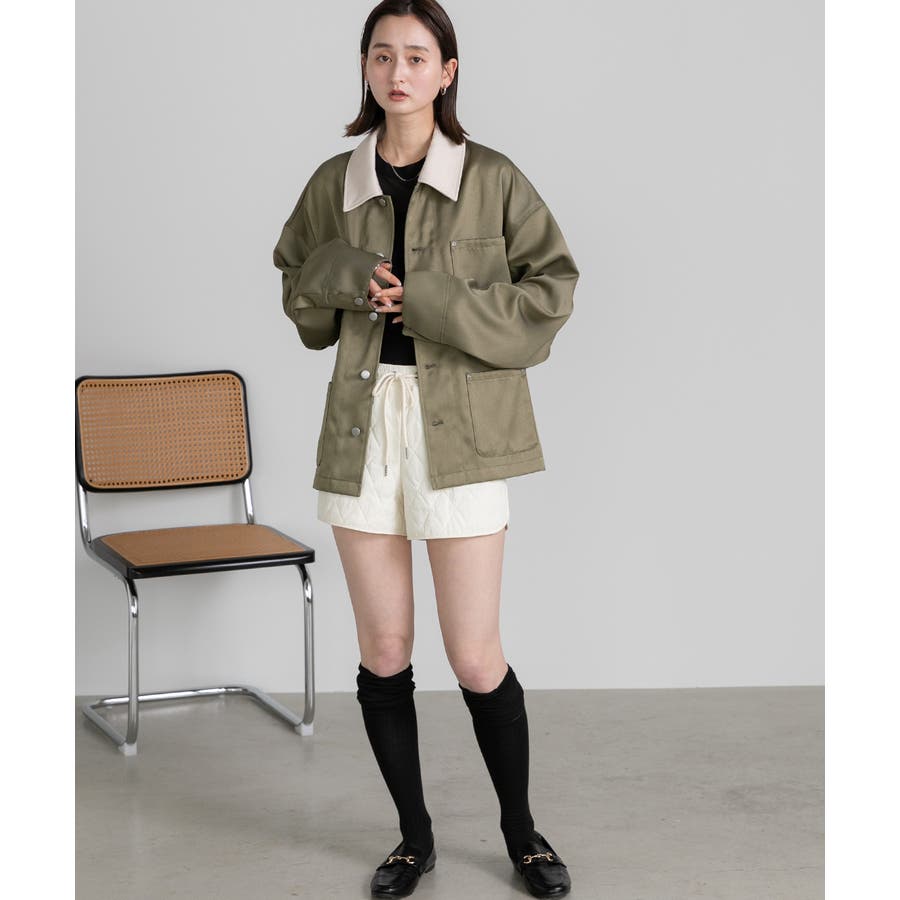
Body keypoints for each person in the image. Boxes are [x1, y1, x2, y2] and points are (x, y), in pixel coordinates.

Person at [273, 2, 578, 896]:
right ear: (365, 69)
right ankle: (414, 838)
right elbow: (298, 294)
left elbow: (551, 295)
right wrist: (343, 278)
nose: (397, 72)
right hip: (361, 425)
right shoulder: (335, 181)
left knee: (475, 655)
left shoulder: (493, 177)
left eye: (415, 56)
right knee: (384, 648)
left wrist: (432, 302)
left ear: (448, 71)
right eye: (382, 55)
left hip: (464, 425)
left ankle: (522, 834)